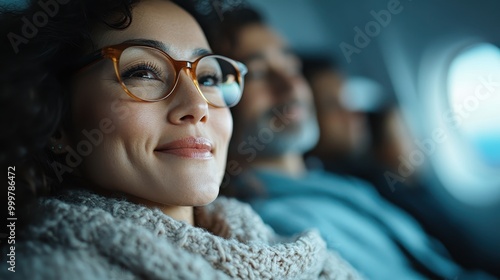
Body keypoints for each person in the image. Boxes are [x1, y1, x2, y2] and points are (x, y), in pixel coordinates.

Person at [0, 0, 360, 279]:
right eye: (143, 72)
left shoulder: (304, 255)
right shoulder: (42, 269)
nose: (197, 105)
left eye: (207, 78)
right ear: (58, 119)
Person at [206, 5, 496, 280]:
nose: (291, 84)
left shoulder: (337, 182)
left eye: (292, 66)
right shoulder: (271, 223)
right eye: (257, 73)